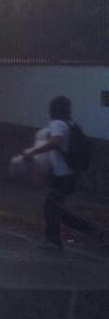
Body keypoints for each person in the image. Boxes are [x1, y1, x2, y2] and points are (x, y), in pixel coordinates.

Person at [22, 96, 101, 248]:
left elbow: (55, 142)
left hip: (63, 176)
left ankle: (57, 240)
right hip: (71, 175)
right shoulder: (71, 124)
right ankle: (88, 230)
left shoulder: (57, 124)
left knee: (51, 208)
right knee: (55, 208)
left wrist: (32, 152)